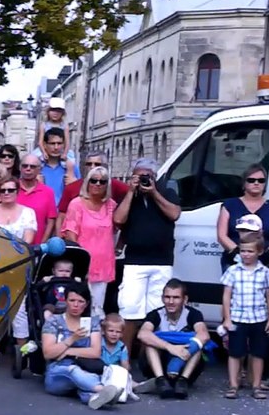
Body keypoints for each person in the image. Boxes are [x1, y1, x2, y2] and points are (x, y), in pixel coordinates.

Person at [113, 158, 181, 354]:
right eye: (139, 176)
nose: (143, 180)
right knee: (129, 310)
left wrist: (153, 193)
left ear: (155, 177)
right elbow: (118, 219)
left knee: (158, 312)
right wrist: (130, 193)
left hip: (162, 261)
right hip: (135, 261)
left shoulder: (167, 193)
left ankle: (149, 358)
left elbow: (174, 214)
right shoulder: (129, 197)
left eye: (147, 176)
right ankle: (124, 359)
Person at [0, 176, 37, 364]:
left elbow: (28, 240)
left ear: (17, 192)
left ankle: (22, 351)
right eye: (3, 190)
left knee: (19, 310)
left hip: (18, 266)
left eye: (10, 190)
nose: (6, 194)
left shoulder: (28, 213)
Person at [40, 285, 120, 409]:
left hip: (86, 369)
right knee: (72, 370)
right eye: (72, 300)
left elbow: (95, 352)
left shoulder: (92, 322)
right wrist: (72, 339)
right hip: (58, 373)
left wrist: (67, 352)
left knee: (84, 385)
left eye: (80, 301)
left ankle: (95, 397)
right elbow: (48, 353)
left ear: (86, 304)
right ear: (65, 301)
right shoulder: (53, 321)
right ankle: (102, 389)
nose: (76, 305)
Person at [220, 236, 269, 400]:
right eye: (243, 251)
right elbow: (226, 295)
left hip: (259, 318)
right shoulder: (233, 271)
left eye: (250, 251)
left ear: (259, 251)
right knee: (235, 353)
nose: (246, 254)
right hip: (238, 317)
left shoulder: (265, 272)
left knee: (258, 353)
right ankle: (233, 384)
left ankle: (257, 385)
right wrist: (227, 318)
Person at [136, 279, 209, 399]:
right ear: (162, 298)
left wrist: (182, 354)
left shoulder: (193, 314)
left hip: (184, 364)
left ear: (184, 300)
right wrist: (171, 348)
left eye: (176, 297)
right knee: (149, 342)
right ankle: (161, 381)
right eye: (167, 297)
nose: (170, 302)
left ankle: (182, 381)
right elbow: (142, 334)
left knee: (198, 345)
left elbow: (204, 335)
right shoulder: (155, 314)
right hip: (158, 364)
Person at [61, 165, 117, 314]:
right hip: (83, 264)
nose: (97, 184)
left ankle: (95, 336)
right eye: (94, 180)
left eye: (102, 181)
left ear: (107, 185)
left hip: (103, 263)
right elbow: (70, 234)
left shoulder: (111, 205)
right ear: (87, 182)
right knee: (78, 306)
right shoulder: (76, 204)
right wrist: (80, 263)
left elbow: (119, 227)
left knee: (97, 308)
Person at [216, 164, 269, 270]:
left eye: (261, 180)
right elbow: (221, 235)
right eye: (251, 180)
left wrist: (267, 254)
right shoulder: (230, 205)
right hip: (234, 263)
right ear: (244, 183)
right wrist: (239, 253)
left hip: (265, 264)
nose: (256, 183)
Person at [56, 150, 127, 236]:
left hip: (105, 236)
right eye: (89, 164)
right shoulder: (72, 188)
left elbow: (131, 194)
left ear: (105, 167)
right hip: (77, 236)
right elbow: (61, 216)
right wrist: (59, 239)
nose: (92, 167)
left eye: (97, 164)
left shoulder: (114, 185)